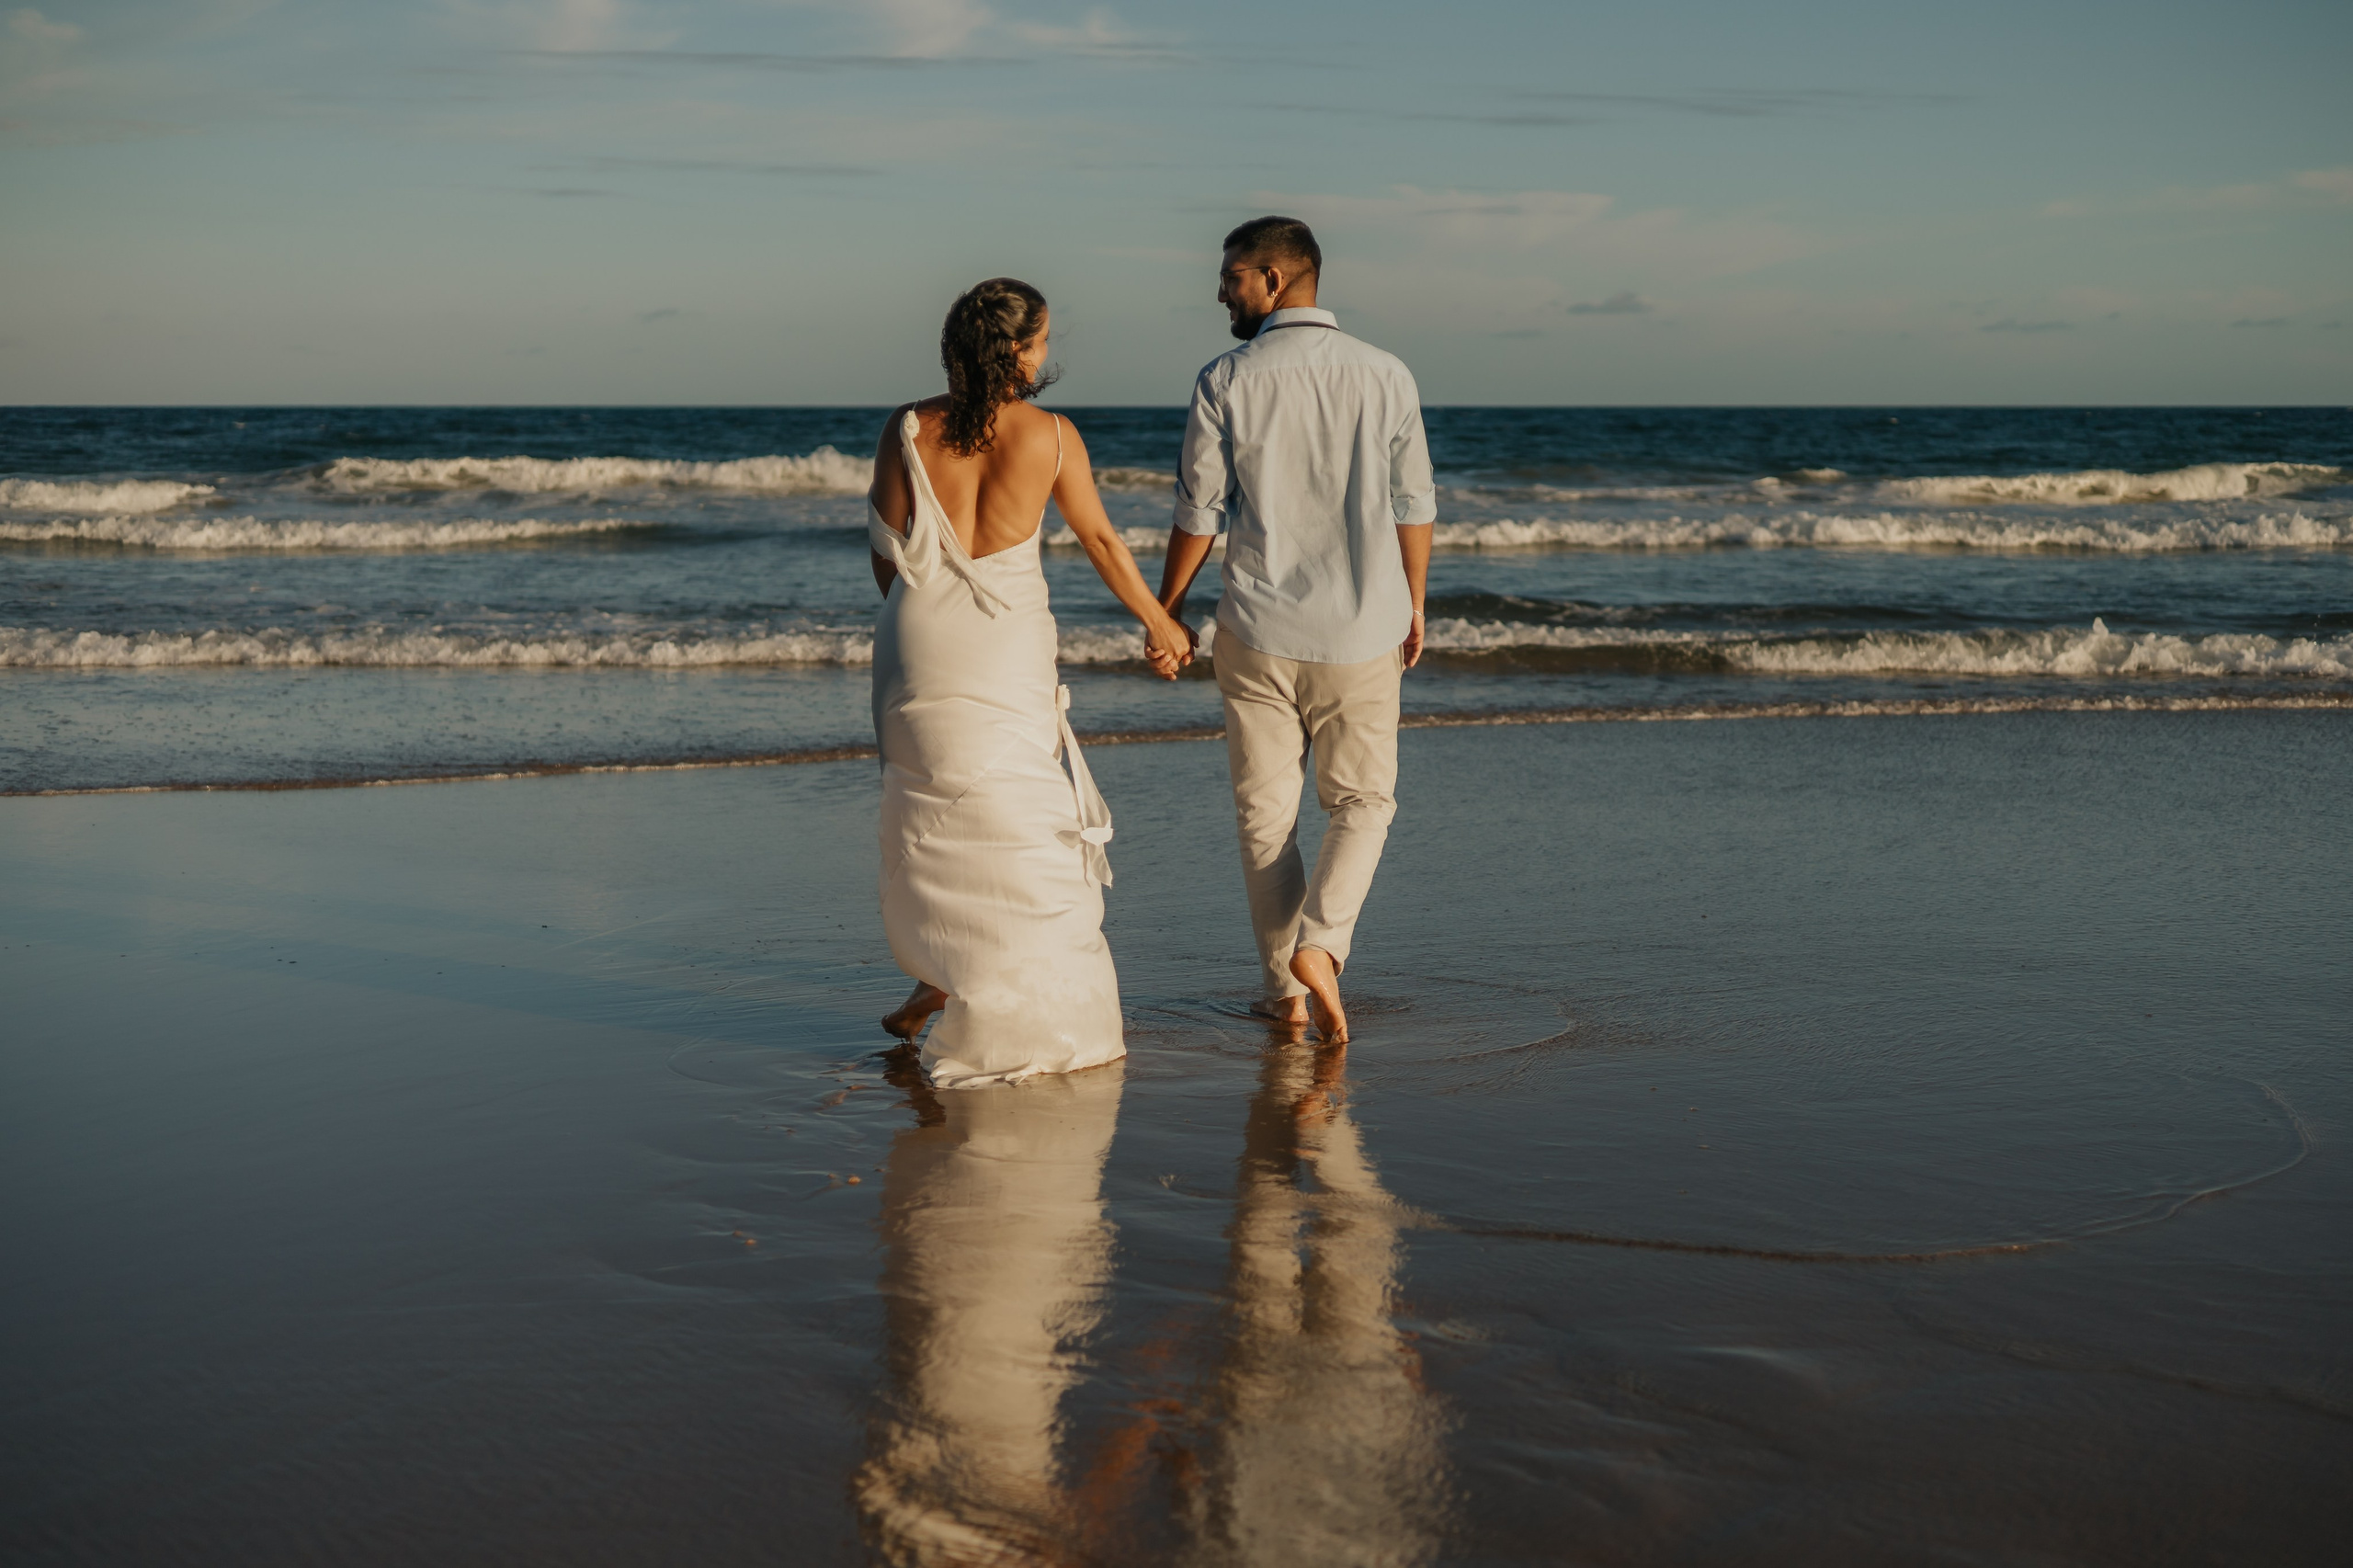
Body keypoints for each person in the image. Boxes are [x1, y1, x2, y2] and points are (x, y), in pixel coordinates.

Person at [868, 277, 1194, 1087]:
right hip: (1006, 643)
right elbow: (1105, 544)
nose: (1048, 353)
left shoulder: (908, 427)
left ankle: (938, 978)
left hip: (917, 639)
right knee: (1019, 818)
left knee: (937, 810)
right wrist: (1160, 622)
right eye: (1043, 339)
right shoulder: (1050, 436)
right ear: (1019, 351)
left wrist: (924, 619)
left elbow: (886, 551)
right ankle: (966, 991)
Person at [1157, 217, 1436, 1044]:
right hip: (1362, 626)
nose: (1221, 292)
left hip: (1258, 627)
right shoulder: (1387, 374)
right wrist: (1415, 603)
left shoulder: (1225, 379)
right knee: (1363, 802)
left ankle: (1283, 991)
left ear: (1275, 280)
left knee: (1264, 815)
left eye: (1233, 278)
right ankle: (1325, 947)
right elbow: (1412, 502)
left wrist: (1166, 609)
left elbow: (1198, 513)